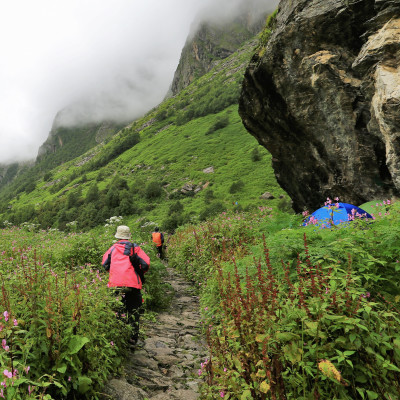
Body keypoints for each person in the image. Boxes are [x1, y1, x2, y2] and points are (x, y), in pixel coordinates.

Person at [102, 225, 150, 346]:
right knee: (133, 311)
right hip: (133, 285)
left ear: (117, 236)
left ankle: (118, 340)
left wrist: (115, 273)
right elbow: (146, 264)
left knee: (117, 311)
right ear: (129, 236)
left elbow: (105, 265)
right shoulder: (135, 248)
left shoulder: (112, 249)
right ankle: (132, 339)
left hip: (115, 284)